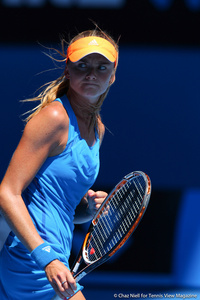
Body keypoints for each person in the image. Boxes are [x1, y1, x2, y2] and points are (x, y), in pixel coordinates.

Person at [0, 28, 119, 300]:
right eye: (82, 65)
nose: (91, 73)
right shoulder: (55, 117)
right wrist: (46, 257)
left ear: (113, 76)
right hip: (31, 258)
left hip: (56, 258)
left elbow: (59, 205)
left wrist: (86, 210)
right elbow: (8, 193)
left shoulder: (97, 129)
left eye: (102, 67)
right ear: (68, 70)